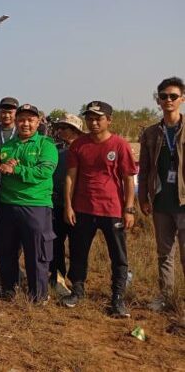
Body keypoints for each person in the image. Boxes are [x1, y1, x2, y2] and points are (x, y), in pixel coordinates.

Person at [62, 101, 137, 318]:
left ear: (109, 120)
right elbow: (70, 177)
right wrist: (68, 205)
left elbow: (128, 180)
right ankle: (77, 290)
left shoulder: (120, 145)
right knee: (78, 252)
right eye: (90, 118)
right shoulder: (78, 145)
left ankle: (117, 298)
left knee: (118, 256)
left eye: (98, 118)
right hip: (83, 208)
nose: (93, 122)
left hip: (112, 209)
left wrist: (129, 209)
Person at [0, 104, 58, 302]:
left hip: (35, 205)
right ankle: (9, 289)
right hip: (7, 204)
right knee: (7, 251)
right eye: (21, 119)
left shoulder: (46, 145)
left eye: (30, 120)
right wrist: (2, 167)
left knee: (36, 252)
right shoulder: (6, 147)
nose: (26, 124)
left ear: (38, 122)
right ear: (16, 121)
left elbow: (44, 172)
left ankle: (38, 295)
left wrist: (17, 170)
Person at [138, 76, 185, 312]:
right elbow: (144, 168)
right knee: (164, 253)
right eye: (164, 96)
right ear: (158, 100)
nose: (168, 100)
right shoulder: (150, 133)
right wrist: (143, 199)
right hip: (161, 202)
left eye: (173, 96)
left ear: (182, 99)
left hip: (184, 201)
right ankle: (166, 297)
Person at [49, 114, 84, 297]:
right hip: (56, 203)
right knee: (55, 242)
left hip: (79, 205)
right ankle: (57, 277)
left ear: (75, 130)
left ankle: (77, 282)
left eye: (65, 128)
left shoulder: (85, 148)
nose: (60, 131)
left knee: (77, 245)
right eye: (59, 127)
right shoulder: (53, 149)